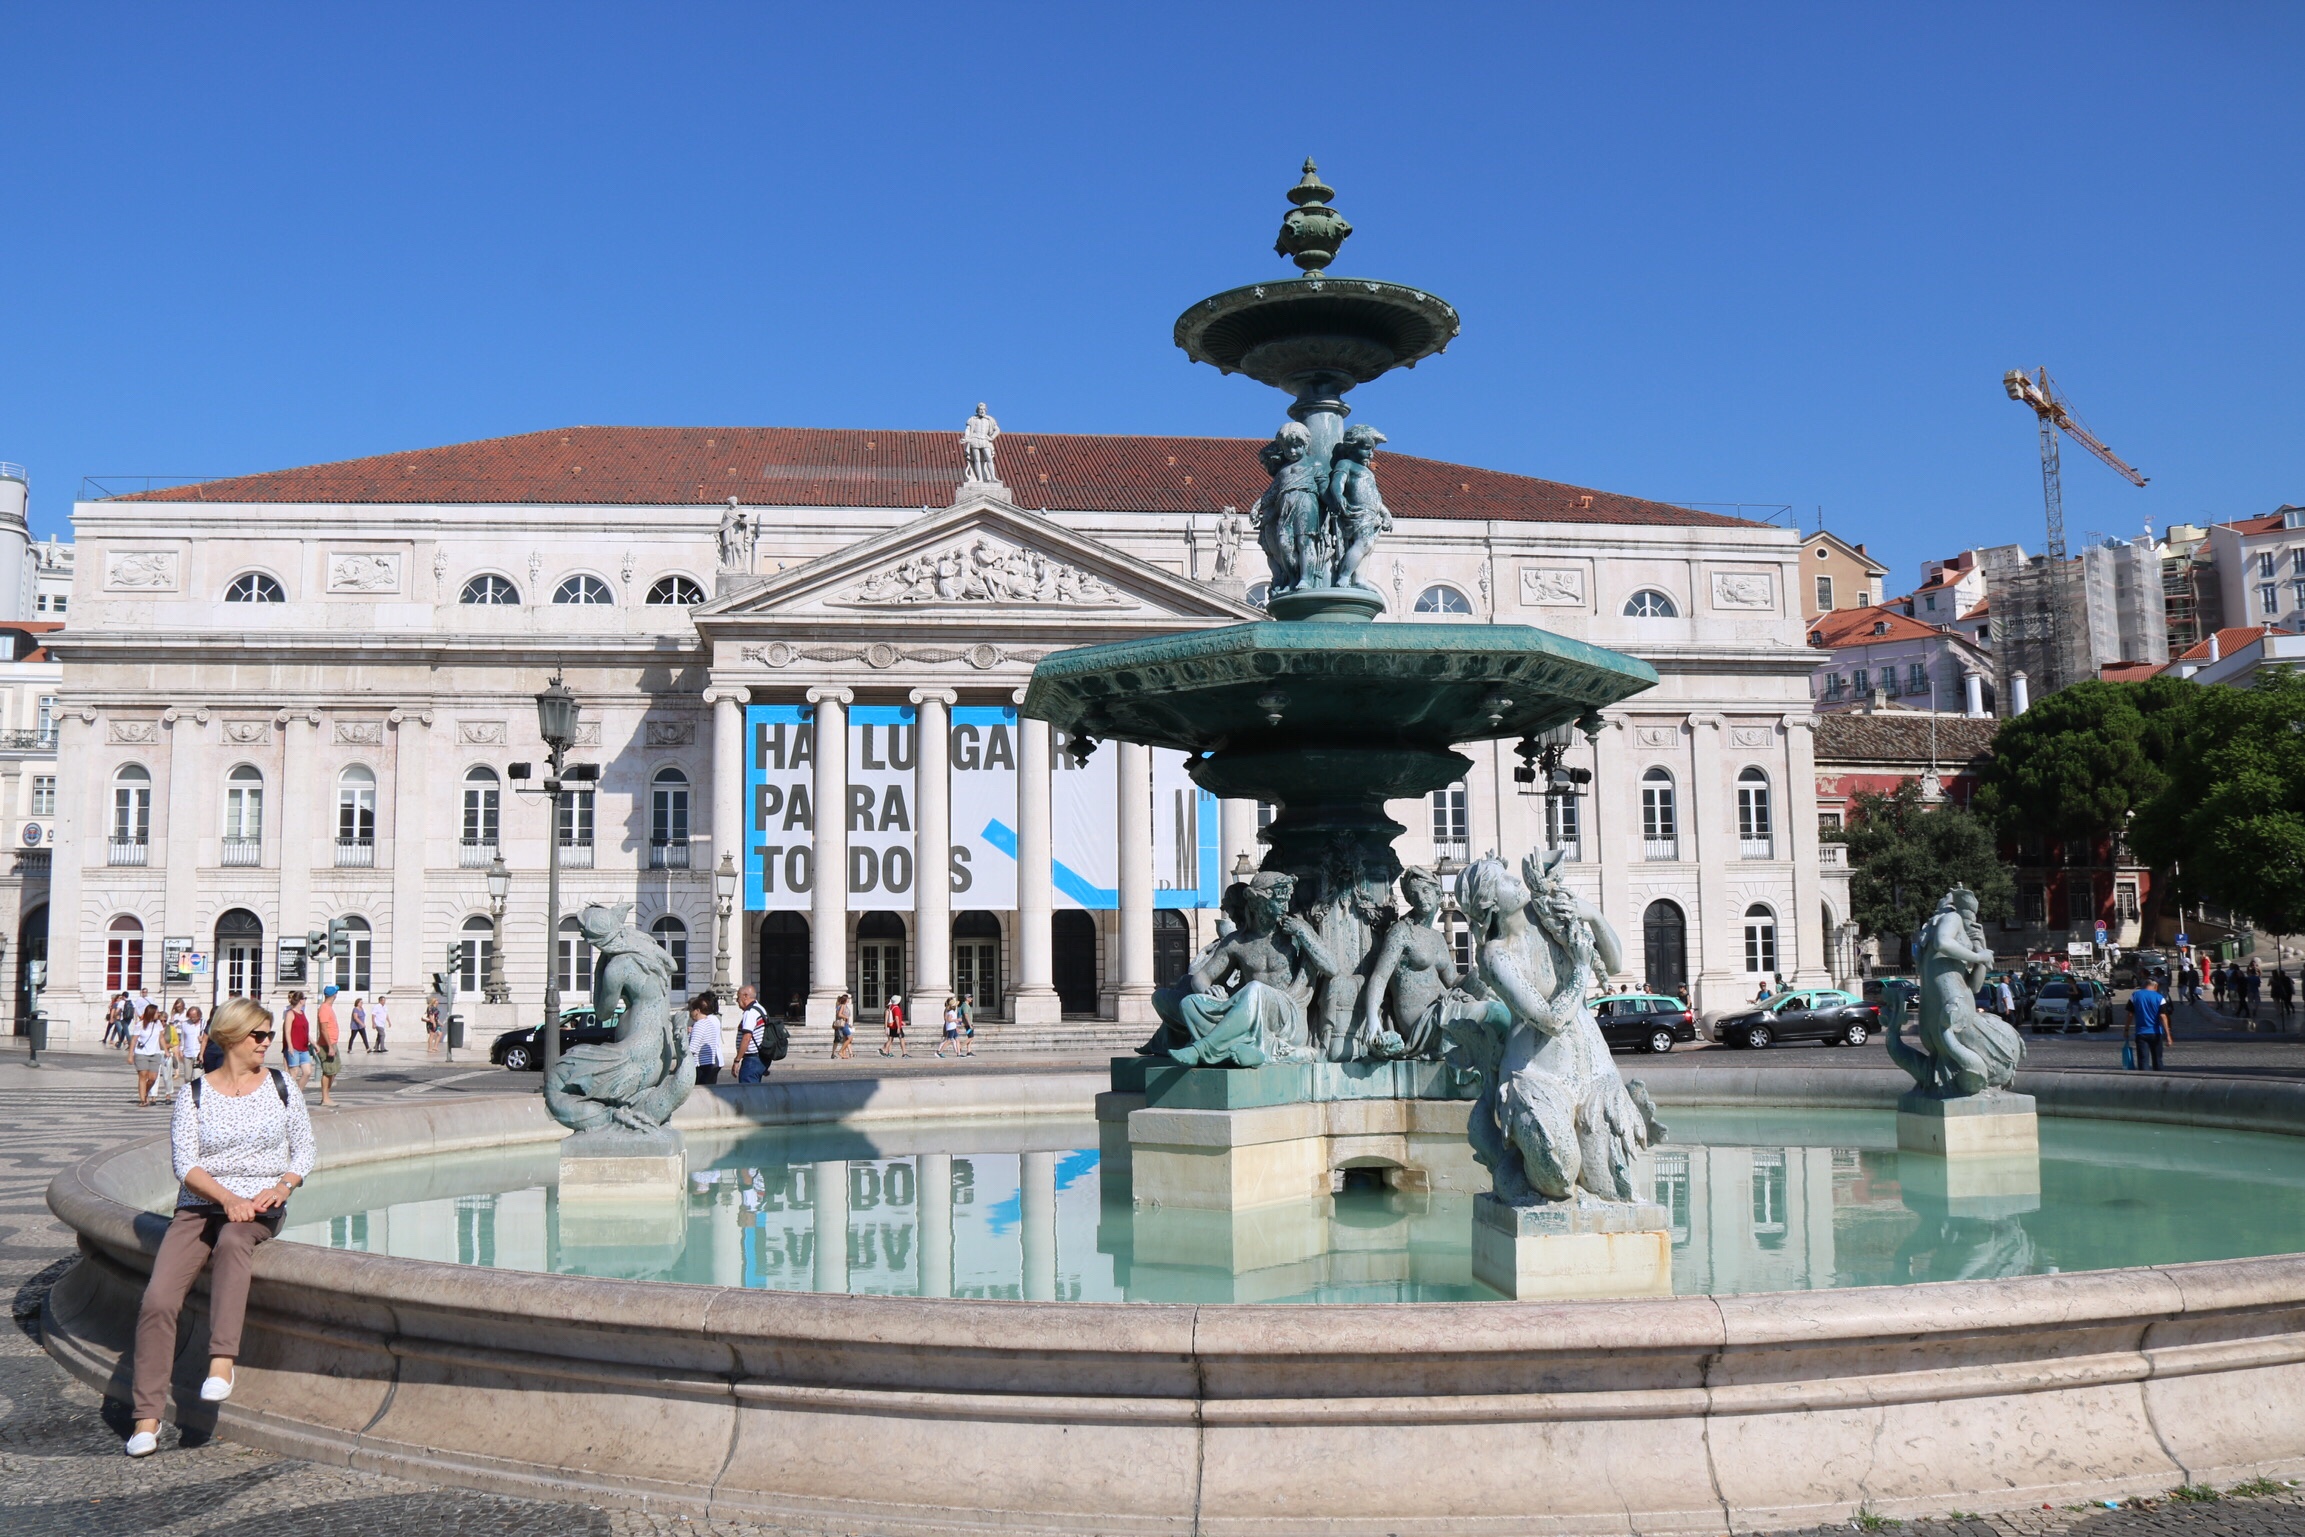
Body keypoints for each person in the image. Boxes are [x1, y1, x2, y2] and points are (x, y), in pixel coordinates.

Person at [123, 997, 313, 1458]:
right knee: (158, 1300)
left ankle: (222, 1361)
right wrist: (226, 1198)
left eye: (269, 1035)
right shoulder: (194, 1094)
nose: (267, 1044)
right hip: (199, 1207)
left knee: (233, 1241)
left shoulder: (283, 1086)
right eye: (259, 1036)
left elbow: (304, 1150)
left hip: (259, 1207)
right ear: (231, 1037)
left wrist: (281, 1188)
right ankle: (146, 1418)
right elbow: (184, 1164)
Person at [2127, 976, 2169, 1071]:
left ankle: (2144, 1081)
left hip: (2141, 1032)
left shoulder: (2135, 995)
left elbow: (2130, 1014)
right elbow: (2163, 1016)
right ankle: (2159, 1080)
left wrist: (2126, 1029)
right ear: (2155, 986)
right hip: (2156, 1032)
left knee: (2143, 1060)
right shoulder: (2160, 998)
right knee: (2158, 1059)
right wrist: (2168, 1035)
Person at [132, 1005, 167, 1106]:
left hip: (155, 1053)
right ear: (151, 1013)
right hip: (141, 1053)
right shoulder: (140, 1024)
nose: (159, 1014)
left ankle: (145, 1092)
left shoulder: (158, 1024)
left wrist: (165, 1050)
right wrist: (131, 1054)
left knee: (153, 1078)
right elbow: (134, 1039)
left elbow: (161, 1038)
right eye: (157, 1012)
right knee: (143, 1076)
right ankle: (143, 1100)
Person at [313, 987, 342, 1108]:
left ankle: (327, 1096)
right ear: (334, 995)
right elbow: (323, 1029)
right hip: (327, 1044)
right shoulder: (324, 1008)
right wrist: (330, 1047)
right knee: (328, 1071)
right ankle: (325, 1098)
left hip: (332, 1043)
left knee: (333, 1071)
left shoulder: (328, 1008)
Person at [688, 991, 723, 1084]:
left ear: (697, 1011)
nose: (690, 1013)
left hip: (700, 1065)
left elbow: (692, 1048)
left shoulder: (699, 1024)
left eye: (691, 1010)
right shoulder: (709, 1022)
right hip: (709, 1062)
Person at [282, 992, 314, 1089]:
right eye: (305, 998)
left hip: (304, 1048)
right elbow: (287, 1031)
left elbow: (304, 1032)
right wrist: (290, 1046)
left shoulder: (302, 1013)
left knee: (307, 1072)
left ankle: (298, 1093)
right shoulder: (290, 1013)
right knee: (294, 1072)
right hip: (294, 1047)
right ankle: (291, 1096)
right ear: (301, 1000)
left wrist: (314, 1043)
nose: (305, 1000)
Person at [734, 988, 765, 1084]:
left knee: (748, 1091)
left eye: (738, 998)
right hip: (759, 1057)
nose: (737, 1001)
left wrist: (737, 1060)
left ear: (745, 996)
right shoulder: (760, 1008)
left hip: (752, 1058)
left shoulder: (750, 1012)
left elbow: (747, 1037)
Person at [832, 991, 853, 1059]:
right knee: (850, 1038)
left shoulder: (841, 1005)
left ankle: (843, 1053)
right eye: (848, 999)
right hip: (843, 1025)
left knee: (846, 1039)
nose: (849, 1000)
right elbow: (839, 1014)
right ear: (846, 1000)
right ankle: (841, 1051)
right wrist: (846, 1017)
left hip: (845, 1024)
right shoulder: (843, 1006)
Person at [959, 991, 976, 1056]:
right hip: (968, 1024)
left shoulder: (966, 1005)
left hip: (969, 1023)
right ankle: (960, 1046)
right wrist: (969, 1024)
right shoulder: (965, 1005)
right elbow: (966, 1015)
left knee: (970, 1037)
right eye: (970, 997)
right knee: (971, 1037)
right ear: (966, 998)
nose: (971, 998)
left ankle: (969, 1051)